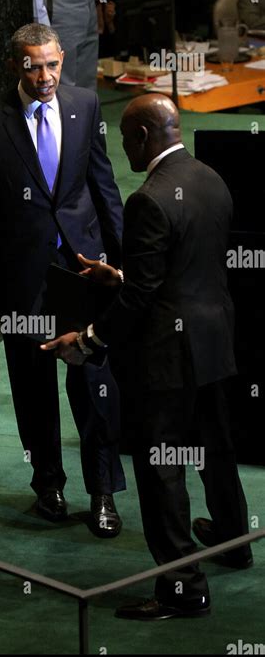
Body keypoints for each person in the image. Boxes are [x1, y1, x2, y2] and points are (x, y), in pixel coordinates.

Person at [43, 93, 252, 619]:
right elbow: (182, 267)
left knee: (162, 468)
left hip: (167, 356)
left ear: (141, 137)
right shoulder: (211, 177)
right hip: (216, 340)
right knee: (217, 445)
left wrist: (86, 340)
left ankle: (183, 588)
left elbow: (140, 301)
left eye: (124, 137)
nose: (120, 146)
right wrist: (119, 274)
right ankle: (233, 539)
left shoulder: (148, 199)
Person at [0, 23, 126, 536]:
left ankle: (104, 490)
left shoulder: (86, 106)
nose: (45, 76)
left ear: (63, 58)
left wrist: (125, 262)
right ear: (15, 66)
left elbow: (103, 185)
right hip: (22, 277)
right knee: (33, 386)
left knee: (93, 382)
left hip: (82, 270)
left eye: (52, 64)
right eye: (33, 66)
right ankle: (49, 484)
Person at [33, 0, 100, 90]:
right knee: (64, 81)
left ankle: (86, 104)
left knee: (87, 79)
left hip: (89, 3)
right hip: (62, 5)